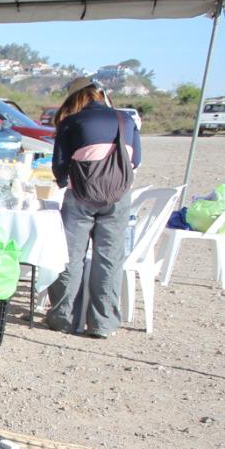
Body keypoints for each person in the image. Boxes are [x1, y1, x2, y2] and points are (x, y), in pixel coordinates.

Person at [45, 79, 142, 340]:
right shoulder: (126, 120)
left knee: (70, 257)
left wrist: (66, 181)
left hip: (81, 196)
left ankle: (63, 318)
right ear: (101, 96)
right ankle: (103, 323)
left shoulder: (71, 122)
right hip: (119, 196)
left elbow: (60, 167)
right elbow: (137, 160)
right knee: (109, 259)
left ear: (76, 98)